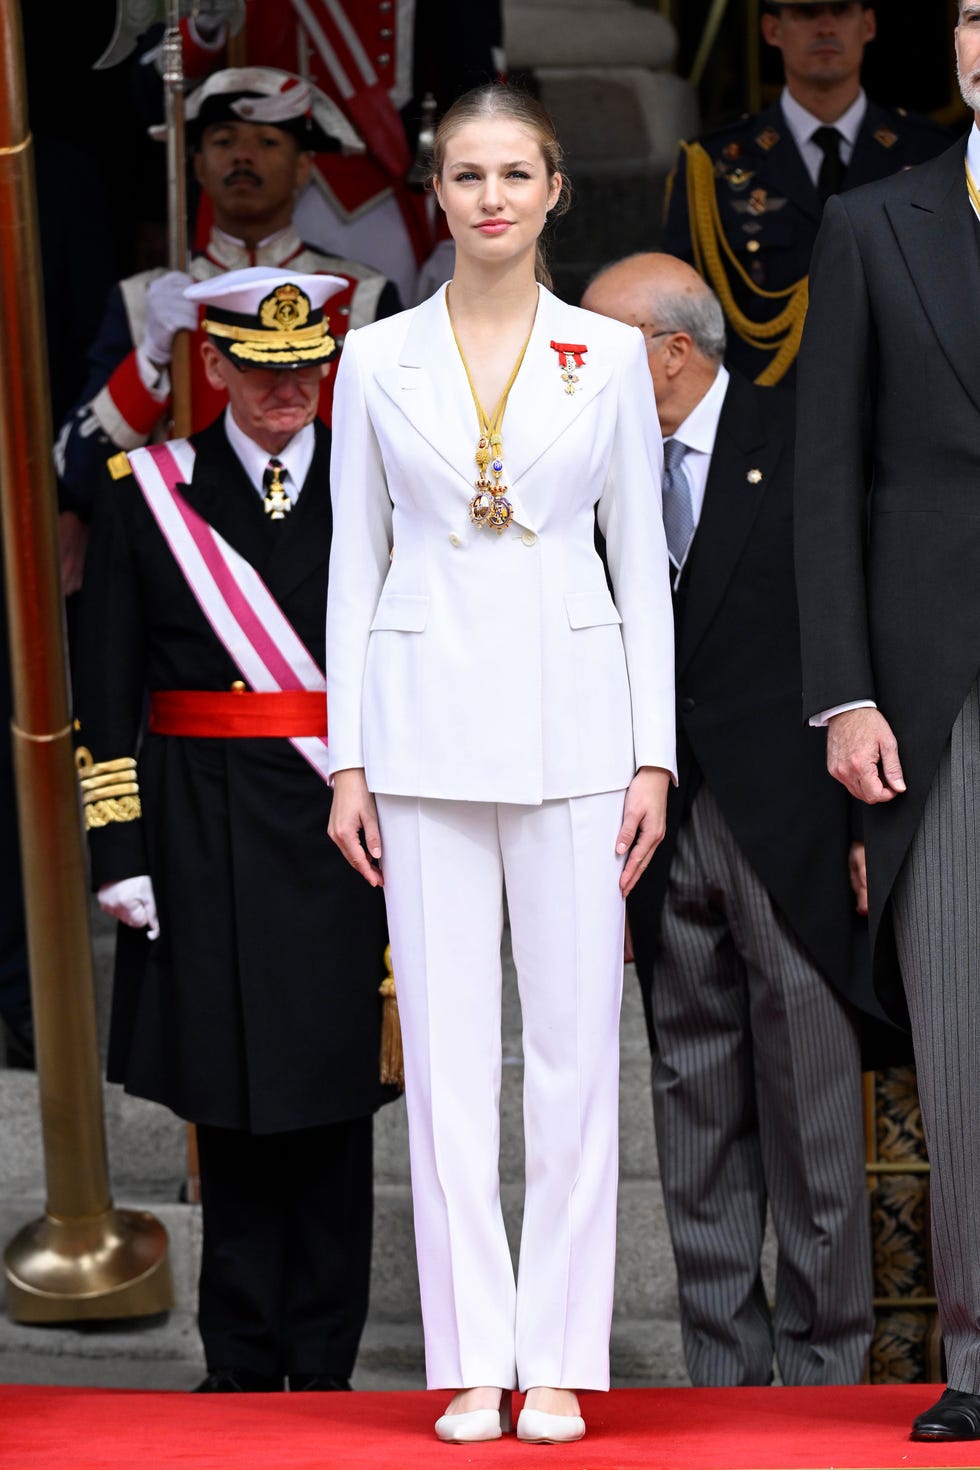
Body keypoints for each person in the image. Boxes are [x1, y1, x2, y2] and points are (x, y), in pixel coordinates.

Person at [325, 84, 676, 1444]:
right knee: (452, 1064)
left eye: (514, 172)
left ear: (552, 189)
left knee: (580, 1056)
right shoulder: (374, 357)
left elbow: (640, 562)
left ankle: (557, 1357)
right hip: (416, 729)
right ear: (437, 189)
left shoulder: (605, 350)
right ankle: (473, 1352)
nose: (490, 197)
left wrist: (654, 755)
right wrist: (348, 758)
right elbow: (356, 559)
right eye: (466, 174)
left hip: (583, 727)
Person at [73, 267, 397, 1393]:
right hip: (196, 829)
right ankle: (241, 1365)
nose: (286, 392)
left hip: (340, 825)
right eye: (260, 372)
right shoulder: (142, 489)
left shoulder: (376, 485)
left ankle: (323, 1363)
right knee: (229, 1095)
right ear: (210, 366)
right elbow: (103, 680)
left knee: (331, 1102)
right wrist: (117, 847)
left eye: (304, 368)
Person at [582, 252, 873, 1387]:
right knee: (691, 1108)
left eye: (595, 342)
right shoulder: (591, 463)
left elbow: (858, 632)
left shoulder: (800, 439)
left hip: (789, 825)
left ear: (668, 349)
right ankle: (724, 1373)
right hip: (653, 826)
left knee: (809, 1113)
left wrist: (867, 830)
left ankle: (822, 1370)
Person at [795, 2, 980, 1442]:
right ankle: (979, 1352)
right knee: (966, 1035)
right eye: (978, 11)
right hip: (936, 700)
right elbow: (826, 481)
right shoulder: (871, 223)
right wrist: (846, 691)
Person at [56, 66, 401, 535]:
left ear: (304, 166)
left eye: (267, 142)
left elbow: (402, 460)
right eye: (222, 141)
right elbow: (76, 472)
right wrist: (148, 361)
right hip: (188, 556)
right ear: (196, 166)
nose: (242, 155)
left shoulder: (363, 294)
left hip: (323, 549)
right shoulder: (144, 300)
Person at [661, 0, 949, 386]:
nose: (825, 27)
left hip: (902, 396)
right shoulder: (711, 164)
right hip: (767, 405)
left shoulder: (932, 152)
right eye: (807, 12)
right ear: (772, 30)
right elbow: (684, 306)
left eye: (841, 11)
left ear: (867, 24)